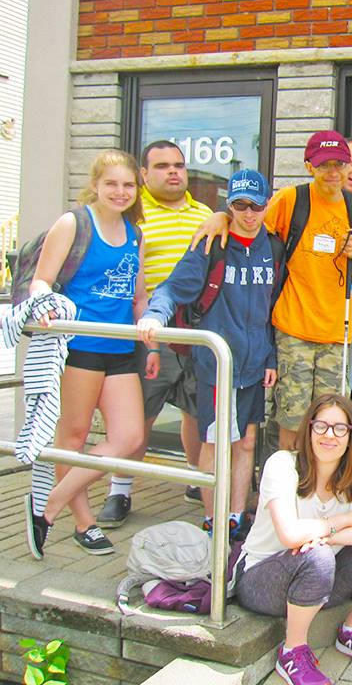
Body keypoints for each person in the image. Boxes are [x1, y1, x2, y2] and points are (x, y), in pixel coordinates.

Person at [192, 131, 352, 453]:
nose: (334, 172)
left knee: (332, 418)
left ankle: (319, 489)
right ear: (309, 166)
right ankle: (283, 489)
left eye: (340, 164)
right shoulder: (292, 200)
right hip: (294, 327)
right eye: (324, 165)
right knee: (292, 419)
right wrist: (222, 215)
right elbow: (251, 228)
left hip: (337, 332)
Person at [136, 169, 279, 542]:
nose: (249, 214)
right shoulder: (210, 244)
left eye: (256, 205)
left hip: (254, 364)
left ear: (267, 204)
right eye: (239, 205)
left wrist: (271, 359)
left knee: (247, 441)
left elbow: (273, 311)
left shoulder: (274, 247)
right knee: (215, 442)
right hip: (218, 365)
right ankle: (212, 517)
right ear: (228, 206)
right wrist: (155, 315)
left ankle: (234, 516)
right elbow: (173, 287)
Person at [25, 149, 148, 557]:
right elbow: (41, 281)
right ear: (94, 185)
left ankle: (50, 503)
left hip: (120, 348)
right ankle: (83, 522)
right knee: (74, 436)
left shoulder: (135, 232)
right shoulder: (73, 223)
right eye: (111, 183)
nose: (119, 191)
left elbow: (138, 295)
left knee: (129, 437)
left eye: (128, 184)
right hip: (78, 345)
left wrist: (152, 342)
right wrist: (45, 305)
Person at [237, 392, 352, 685]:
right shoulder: (282, 464)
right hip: (262, 581)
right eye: (321, 426)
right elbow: (290, 535)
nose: (330, 435)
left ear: (351, 435)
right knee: (318, 556)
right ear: (309, 428)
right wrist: (341, 521)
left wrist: (334, 535)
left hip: (320, 575)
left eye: (340, 428)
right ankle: (292, 651)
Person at [97, 140, 213, 528]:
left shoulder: (205, 214)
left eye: (179, 165)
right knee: (140, 416)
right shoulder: (132, 214)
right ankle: (120, 490)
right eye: (162, 166)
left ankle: (196, 479)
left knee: (196, 414)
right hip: (150, 333)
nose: (174, 172)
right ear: (144, 175)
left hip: (197, 333)